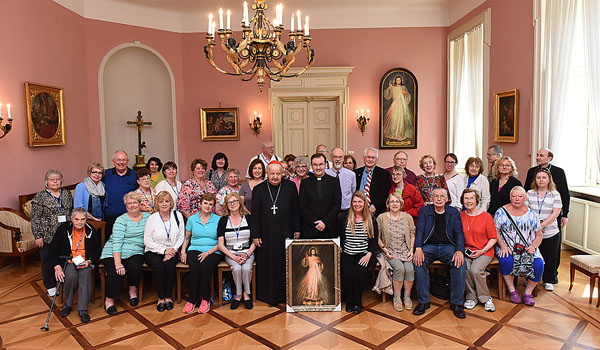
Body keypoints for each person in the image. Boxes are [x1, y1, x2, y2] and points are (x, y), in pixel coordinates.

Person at [250, 161, 301, 306]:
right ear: (267, 174)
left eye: (278, 174)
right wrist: (255, 234)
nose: (275, 177)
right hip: (265, 234)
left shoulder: (290, 186)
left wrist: (297, 229)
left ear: (283, 174)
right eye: (272, 173)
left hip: (286, 231)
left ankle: (285, 295)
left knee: (285, 263)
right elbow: (255, 215)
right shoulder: (258, 189)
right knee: (268, 263)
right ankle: (268, 295)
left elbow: (296, 210)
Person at [413, 188, 466, 319]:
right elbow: (419, 230)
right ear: (431, 198)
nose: (439, 199)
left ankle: (457, 303)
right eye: (436, 196)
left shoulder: (453, 212)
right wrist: (418, 248)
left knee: (460, 264)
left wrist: (459, 250)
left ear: (447, 199)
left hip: (448, 247)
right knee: (418, 262)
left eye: (442, 196)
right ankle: (423, 302)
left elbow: (459, 233)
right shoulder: (425, 211)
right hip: (428, 246)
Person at [524, 148, 570, 285]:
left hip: (551, 220)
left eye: (541, 155)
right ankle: (531, 276)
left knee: (552, 251)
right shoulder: (532, 172)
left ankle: (550, 277)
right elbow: (526, 192)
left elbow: (565, 194)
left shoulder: (559, 172)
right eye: (537, 155)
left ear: (549, 158)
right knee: (533, 250)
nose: (537, 157)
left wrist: (564, 214)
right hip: (533, 221)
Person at [101, 192, 150, 315]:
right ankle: (109, 300)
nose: (132, 205)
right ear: (125, 206)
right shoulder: (121, 220)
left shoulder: (148, 217)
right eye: (129, 203)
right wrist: (118, 263)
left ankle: (132, 291)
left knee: (135, 267)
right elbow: (116, 242)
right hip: (113, 251)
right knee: (115, 273)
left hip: (136, 250)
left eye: (135, 202)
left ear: (140, 204)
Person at [49, 207, 101, 323]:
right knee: (71, 276)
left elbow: (97, 249)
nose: (79, 222)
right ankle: (68, 304)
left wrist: (90, 261)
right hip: (68, 260)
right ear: (72, 219)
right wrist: (57, 266)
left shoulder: (90, 230)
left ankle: (83, 309)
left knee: (86, 274)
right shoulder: (63, 229)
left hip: (85, 260)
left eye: (83, 219)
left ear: (86, 220)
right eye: (77, 219)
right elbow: (52, 249)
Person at [494, 186, 544, 306]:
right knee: (506, 261)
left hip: (527, 247)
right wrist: (503, 246)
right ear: (510, 197)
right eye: (514, 196)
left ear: (525, 198)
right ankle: (512, 290)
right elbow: (495, 232)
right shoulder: (501, 212)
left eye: (520, 196)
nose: (517, 199)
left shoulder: (532, 214)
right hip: (508, 246)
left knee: (538, 264)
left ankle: (527, 293)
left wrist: (534, 246)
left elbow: (539, 235)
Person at [31, 170, 74, 297]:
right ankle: (50, 285)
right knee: (47, 260)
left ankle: (64, 282)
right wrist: (38, 236)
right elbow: (35, 218)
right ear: (46, 182)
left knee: (63, 258)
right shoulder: (40, 196)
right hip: (47, 235)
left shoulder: (66, 193)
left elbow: (71, 211)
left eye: (58, 179)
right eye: (52, 179)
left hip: (65, 234)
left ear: (61, 181)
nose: (55, 181)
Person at [181, 193, 223, 314]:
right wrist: (183, 251)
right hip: (194, 248)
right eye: (205, 203)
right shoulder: (192, 219)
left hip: (213, 250)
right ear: (200, 204)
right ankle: (192, 299)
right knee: (194, 266)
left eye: (210, 204)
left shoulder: (218, 220)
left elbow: (221, 242)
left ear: (213, 206)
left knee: (206, 266)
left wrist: (208, 253)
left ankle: (205, 299)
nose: (207, 206)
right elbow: (187, 238)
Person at [337, 191, 378, 314]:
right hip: (347, 253)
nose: (357, 204)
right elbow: (338, 234)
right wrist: (339, 246)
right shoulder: (343, 217)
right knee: (348, 275)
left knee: (358, 275)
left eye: (360, 201)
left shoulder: (371, 219)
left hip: (363, 254)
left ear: (364, 203)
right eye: (354, 201)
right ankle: (350, 302)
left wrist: (369, 254)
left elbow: (374, 240)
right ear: (351, 203)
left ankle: (358, 303)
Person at [144, 191, 185, 312]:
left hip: (172, 249)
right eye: (161, 201)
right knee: (160, 268)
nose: (164, 204)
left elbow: (181, 236)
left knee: (169, 267)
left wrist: (172, 250)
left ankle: (168, 296)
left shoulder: (177, 216)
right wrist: (164, 251)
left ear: (171, 202)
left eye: (167, 201)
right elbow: (147, 240)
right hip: (153, 250)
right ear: (157, 203)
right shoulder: (152, 218)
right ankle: (160, 297)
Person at [460, 189, 497, 312]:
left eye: (471, 198)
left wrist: (482, 251)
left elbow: (493, 238)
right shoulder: (460, 216)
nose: (469, 201)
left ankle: (486, 298)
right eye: (466, 198)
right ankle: (471, 297)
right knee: (464, 267)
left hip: (485, 250)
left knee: (475, 270)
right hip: (467, 251)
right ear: (462, 200)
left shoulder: (486, 216)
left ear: (476, 200)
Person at [377, 193, 416, 312]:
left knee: (409, 269)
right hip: (390, 251)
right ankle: (397, 298)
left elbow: (412, 234)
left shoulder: (407, 217)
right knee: (399, 268)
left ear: (401, 204)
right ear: (388, 204)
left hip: (405, 250)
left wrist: (411, 250)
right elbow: (377, 237)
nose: (394, 204)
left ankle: (407, 297)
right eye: (392, 202)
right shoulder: (382, 217)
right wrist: (384, 249)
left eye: (397, 202)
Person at [526, 168, 562, 291]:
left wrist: (541, 226)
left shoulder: (555, 194)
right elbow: (527, 211)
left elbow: (555, 213)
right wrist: (536, 227)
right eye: (538, 177)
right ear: (535, 180)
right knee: (533, 256)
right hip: (532, 231)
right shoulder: (529, 193)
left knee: (550, 257)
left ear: (549, 179)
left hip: (551, 230)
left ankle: (548, 280)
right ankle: (530, 278)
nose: (541, 180)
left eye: (544, 178)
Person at [217, 193, 255, 310]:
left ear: (240, 203)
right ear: (226, 205)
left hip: (247, 252)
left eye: (235, 201)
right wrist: (234, 257)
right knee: (237, 268)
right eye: (230, 202)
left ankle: (246, 294)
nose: (233, 204)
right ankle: (238, 295)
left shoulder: (248, 218)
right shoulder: (223, 221)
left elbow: (255, 241)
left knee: (247, 268)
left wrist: (247, 254)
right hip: (231, 253)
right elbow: (220, 245)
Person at [299, 153, 342, 238]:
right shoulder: (305, 183)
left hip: (329, 228)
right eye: (315, 165)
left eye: (321, 164)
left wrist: (325, 222)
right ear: (311, 166)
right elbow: (302, 206)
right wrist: (315, 223)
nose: (318, 168)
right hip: (310, 229)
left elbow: (337, 205)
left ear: (326, 164)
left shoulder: (334, 182)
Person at [104, 150, 138, 240]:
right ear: (113, 161)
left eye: (123, 160)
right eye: (118, 160)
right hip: (110, 216)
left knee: (129, 241)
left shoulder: (135, 175)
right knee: (111, 241)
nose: (121, 162)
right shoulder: (105, 174)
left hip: (130, 215)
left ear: (127, 161)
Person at [355, 147, 391, 215]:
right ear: (364, 158)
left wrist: (375, 205)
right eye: (368, 157)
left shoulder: (384, 174)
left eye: (373, 158)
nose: (370, 160)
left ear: (376, 160)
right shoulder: (356, 173)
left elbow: (385, 193)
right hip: (357, 208)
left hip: (375, 210)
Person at [383, 75, 413, 142]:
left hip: (402, 105)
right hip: (395, 104)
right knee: (394, 118)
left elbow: (408, 96)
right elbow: (389, 96)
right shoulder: (393, 87)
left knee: (401, 119)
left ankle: (400, 134)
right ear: (395, 81)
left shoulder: (403, 87)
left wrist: (406, 93)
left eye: (399, 80)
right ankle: (394, 133)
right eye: (397, 80)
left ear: (401, 81)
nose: (398, 81)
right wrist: (390, 88)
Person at [326, 147, 357, 212]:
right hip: (329, 211)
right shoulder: (326, 174)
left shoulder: (351, 174)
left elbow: (353, 191)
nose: (338, 159)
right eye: (335, 157)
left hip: (346, 210)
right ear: (331, 158)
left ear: (343, 159)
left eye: (340, 157)